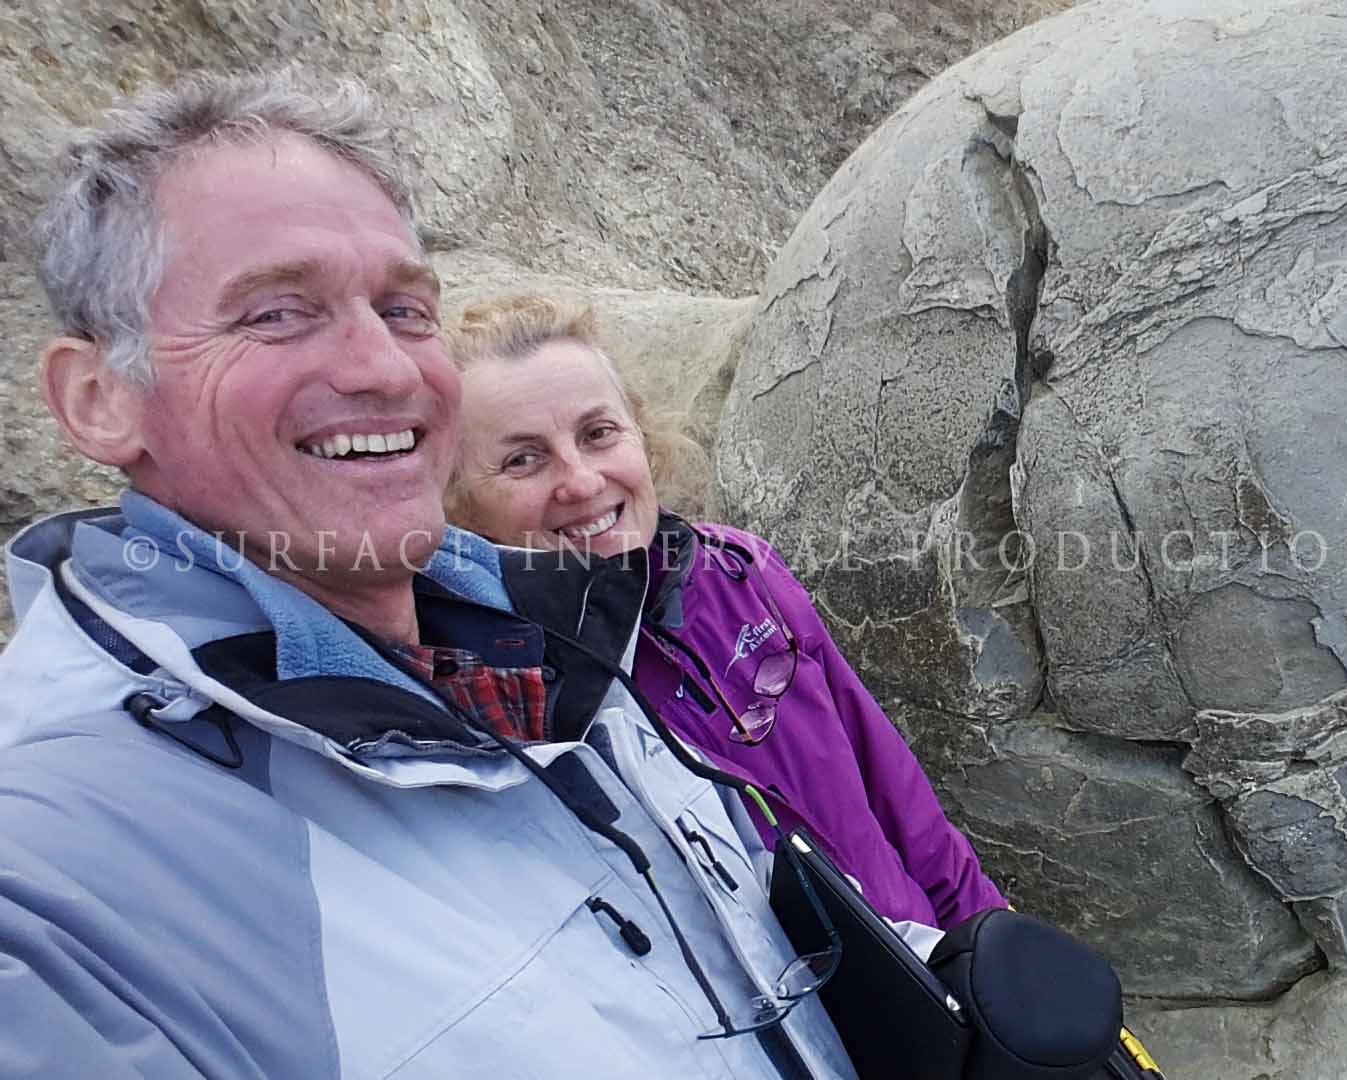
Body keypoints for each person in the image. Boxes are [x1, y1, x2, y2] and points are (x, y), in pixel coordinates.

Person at [0, 71, 859, 1078]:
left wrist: (945, 984)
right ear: (101, 399)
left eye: (406, 309)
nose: (388, 369)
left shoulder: (545, 643)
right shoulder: (60, 874)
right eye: (278, 313)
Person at [441, 294, 1008, 932]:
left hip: (926, 961)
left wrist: (986, 932)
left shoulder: (739, 570)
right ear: (459, 508)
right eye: (524, 459)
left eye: (598, 434)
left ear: (643, 438)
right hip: (790, 1020)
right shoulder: (507, 704)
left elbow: (891, 782)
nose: (580, 481)